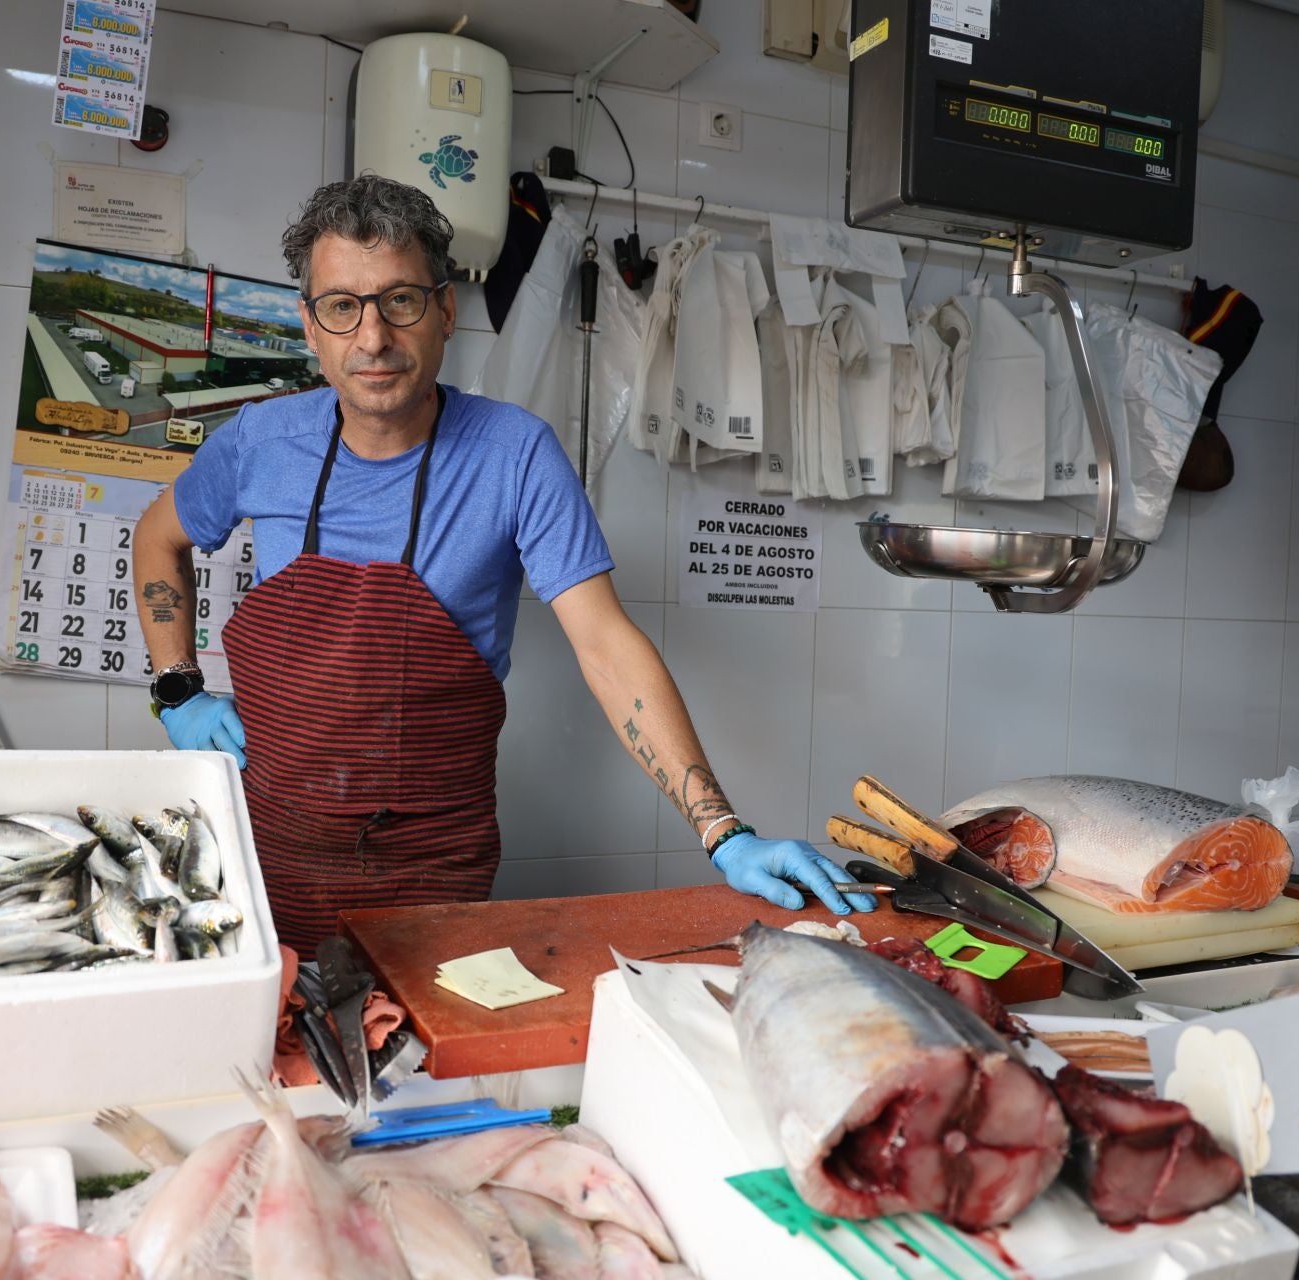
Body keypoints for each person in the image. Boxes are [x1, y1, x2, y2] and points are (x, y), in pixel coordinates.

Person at [134, 175, 873, 950]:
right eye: (342, 308)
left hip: (433, 867)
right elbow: (159, 537)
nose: (373, 338)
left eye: (401, 301)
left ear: (446, 311)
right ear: (311, 327)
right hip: (260, 846)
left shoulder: (515, 454)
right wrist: (177, 688)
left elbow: (606, 645)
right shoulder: (260, 441)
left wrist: (724, 832)